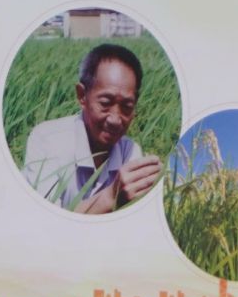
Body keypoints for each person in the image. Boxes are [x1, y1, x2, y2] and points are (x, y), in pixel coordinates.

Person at [21, 43, 164, 214]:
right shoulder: (46, 141)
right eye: (105, 103)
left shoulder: (130, 151)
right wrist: (111, 197)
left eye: (127, 107)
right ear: (82, 95)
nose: (115, 119)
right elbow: (47, 221)